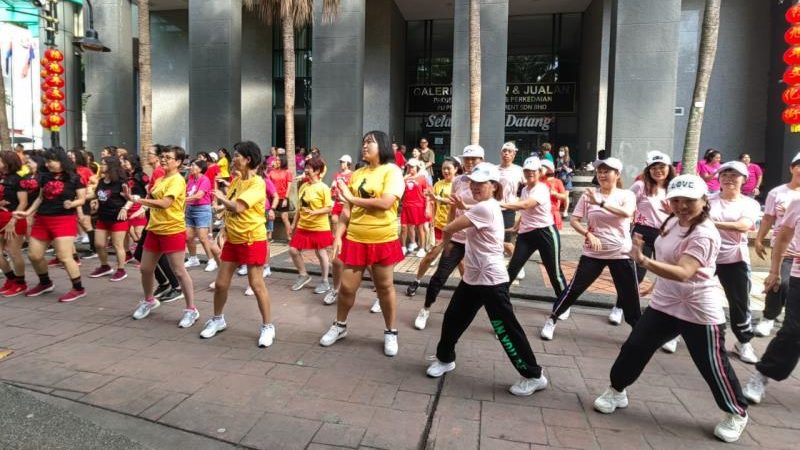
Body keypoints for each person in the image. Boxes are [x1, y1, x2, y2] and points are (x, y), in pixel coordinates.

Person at [594, 174, 749, 443]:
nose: (681, 206)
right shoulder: (672, 220)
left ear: (704, 200)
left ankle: (736, 412)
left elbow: (684, 272)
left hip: (698, 309)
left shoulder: (705, 233)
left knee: (711, 364)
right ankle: (617, 391)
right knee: (635, 347)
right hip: (664, 303)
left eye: (689, 200)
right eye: (676, 200)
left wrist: (643, 261)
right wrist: (656, 283)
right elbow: (669, 258)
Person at [425, 162, 549, 397]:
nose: (474, 186)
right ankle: (445, 359)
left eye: (481, 183)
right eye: (473, 182)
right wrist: (463, 206)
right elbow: (473, 208)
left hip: (491, 279)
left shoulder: (485, 208)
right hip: (473, 277)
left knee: (504, 328)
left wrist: (445, 244)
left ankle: (533, 375)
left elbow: (449, 227)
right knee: (453, 318)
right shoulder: (486, 205)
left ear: (494, 186)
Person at [319, 130, 405, 356]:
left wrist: (350, 197)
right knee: (347, 287)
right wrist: (338, 236)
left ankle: (391, 331)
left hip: (383, 239)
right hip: (356, 239)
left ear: (382, 145)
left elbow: (386, 203)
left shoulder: (392, 171)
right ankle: (340, 325)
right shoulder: (357, 174)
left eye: (370, 142)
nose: (364, 146)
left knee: (384, 288)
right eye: (364, 142)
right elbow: (347, 210)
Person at [541, 158, 639, 340]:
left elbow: (626, 213)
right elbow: (574, 220)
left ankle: (637, 333)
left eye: (606, 171)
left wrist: (601, 203)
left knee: (629, 295)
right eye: (599, 172)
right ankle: (552, 319)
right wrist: (588, 234)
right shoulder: (588, 195)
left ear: (617, 174)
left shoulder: (627, 195)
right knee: (574, 289)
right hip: (593, 253)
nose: (602, 175)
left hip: (621, 253)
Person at [199, 141, 275, 347]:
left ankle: (268, 326)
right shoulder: (237, 181)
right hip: (233, 239)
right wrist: (221, 214)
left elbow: (238, 207)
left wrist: (221, 199)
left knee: (256, 284)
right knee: (221, 284)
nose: (233, 159)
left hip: (252, 239)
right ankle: (218, 320)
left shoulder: (257, 183)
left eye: (236, 156)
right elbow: (230, 207)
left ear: (247, 159)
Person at [409, 146, 483, 331]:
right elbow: (452, 207)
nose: (470, 162)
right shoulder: (458, 181)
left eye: (474, 159)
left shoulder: (488, 181)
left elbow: (492, 207)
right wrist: (449, 233)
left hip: (478, 240)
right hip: (458, 239)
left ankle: (498, 322)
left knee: (488, 284)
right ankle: (425, 309)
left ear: (481, 160)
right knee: (439, 276)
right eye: (467, 159)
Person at [743, 171, 800, 405]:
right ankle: (762, 374)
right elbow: (784, 238)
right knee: (793, 331)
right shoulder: (796, 203)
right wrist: (774, 271)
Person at [126, 145, 198, 327]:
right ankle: (149, 300)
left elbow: (165, 203)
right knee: (145, 268)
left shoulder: (177, 180)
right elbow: (152, 200)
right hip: (154, 228)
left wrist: (137, 200)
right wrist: (139, 207)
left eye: (168, 157)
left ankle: (191, 310)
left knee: (179, 271)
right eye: (163, 156)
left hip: (172, 229)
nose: (164, 159)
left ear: (178, 162)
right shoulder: (160, 179)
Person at [15, 147, 87, 302]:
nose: (47, 164)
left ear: (61, 161)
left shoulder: (75, 177)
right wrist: (28, 213)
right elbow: (40, 198)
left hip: (63, 219)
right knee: (34, 255)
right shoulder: (44, 176)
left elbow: (82, 199)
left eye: (50, 161)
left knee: (64, 257)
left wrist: (72, 203)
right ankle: (45, 283)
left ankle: (78, 288)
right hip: (42, 219)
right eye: (46, 161)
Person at [707, 161, 760, 363]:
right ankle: (675, 333)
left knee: (739, 302)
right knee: (689, 292)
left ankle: (743, 342)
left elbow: (743, 226)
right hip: (706, 255)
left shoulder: (750, 204)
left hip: (735, 258)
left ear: (744, 179)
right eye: (725, 174)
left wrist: (710, 222)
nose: (729, 178)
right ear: (718, 178)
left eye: (734, 175)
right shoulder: (707, 200)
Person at [623, 151, 675, 348]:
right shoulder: (641, 186)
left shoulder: (674, 188)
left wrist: (672, 213)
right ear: (648, 170)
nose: (658, 171)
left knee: (667, 276)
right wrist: (629, 225)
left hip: (668, 234)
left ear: (669, 168)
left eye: (662, 167)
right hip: (643, 233)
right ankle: (620, 307)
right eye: (653, 168)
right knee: (636, 274)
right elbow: (627, 204)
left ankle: (667, 327)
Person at [502, 157, 568, 299]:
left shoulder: (542, 188)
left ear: (539, 172)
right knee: (513, 268)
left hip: (545, 233)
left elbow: (526, 205)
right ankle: (499, 297)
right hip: (526, 235)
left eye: (533, 170)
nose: (530, 173)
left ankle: (563, 304)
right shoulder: (525, 190)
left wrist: (502, 204)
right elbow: (524, 210)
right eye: (527, 170)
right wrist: (516, 226)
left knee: (554, 273)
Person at [753, 154, 800, 337]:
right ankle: (769, 317)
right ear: (791, 168)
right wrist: (759, 239)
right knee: (780, 281)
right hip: (785, 248)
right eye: (798, 166)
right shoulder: (777, 193)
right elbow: (767, 218)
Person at [406, 159, 456, 324]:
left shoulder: (459, 184)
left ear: (456, 169)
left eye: (449, 168)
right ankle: (417, 280)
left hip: (456, 229)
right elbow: (433, 202)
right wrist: (432, 217)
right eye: (444, 168)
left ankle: (468, 292)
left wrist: (437, 199)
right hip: (441, 227)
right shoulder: (438, 184)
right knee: (430, 256)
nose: (446, 171)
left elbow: (455, 203)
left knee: (462, 263)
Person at [288, 157, 334, 294]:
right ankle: (303, 275)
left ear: (318, 171)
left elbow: (329, 208)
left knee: (320, 252)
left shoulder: (323, 187)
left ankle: (325, 281)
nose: (306, 170)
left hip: (319, 227)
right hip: (303, 226)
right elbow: (299, 208)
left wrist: (315, 212)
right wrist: (293, 224)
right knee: (293, 250)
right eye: (306, 167)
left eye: (309, 168)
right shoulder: (304, 186)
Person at [87, 157, 132, 282]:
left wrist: (125, 208)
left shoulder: (121, 182)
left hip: (118, 218)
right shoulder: (101, 181)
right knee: (99, 244)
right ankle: (105, 266)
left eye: (104, 164)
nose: (101, 166)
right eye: (101, 164)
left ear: (111, 166)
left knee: (118, 245)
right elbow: (97, 194)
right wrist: (85, 198)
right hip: (103, 217)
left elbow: (130, 198)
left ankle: (121, 270)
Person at [0, 151, 30, 297]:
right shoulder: (1, 177)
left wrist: (13, 220)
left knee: (13, 252)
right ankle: (11, 279)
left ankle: (20, 283)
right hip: (1, 217)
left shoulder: (18, 179)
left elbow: (23, 203)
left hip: (14, 219)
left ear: (7, 162)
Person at [183, 159, 221, 272]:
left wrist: (181, 199)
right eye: (191, 165)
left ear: (200, 169)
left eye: (193, 165)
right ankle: (193, 259)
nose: (191, 167)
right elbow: (187, 192)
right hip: (190, 209)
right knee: (188, 237)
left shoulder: (205, 179)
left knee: (203, 237)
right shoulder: (191, 179)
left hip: (202, 210)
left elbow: (199, 195)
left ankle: (212, 261)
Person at [497, 142, 524, 263]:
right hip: (494, 207)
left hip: (509, 208)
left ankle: (516, 264)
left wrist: (521, 202)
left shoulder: (519, 170)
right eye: (504, 151)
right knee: (495, 236)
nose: (506, 154)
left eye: (509, 151)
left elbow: (528, 186)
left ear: (514, 155)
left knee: (507, 239)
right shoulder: (494, 169)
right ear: (500, 153)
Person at [400, 158, 429, 257]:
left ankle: (422, 248)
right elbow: (399, 189)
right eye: (409, 166)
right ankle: (403, 247)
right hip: (406, 206)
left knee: (419, 228)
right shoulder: (405, 178)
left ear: (417, 167)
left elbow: (427, 194)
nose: (410, 168)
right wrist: (404, 178)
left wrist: (427, 207)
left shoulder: (422, 178)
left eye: (412, 167)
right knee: (404, 227)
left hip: (418, 206)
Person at [268, 155, 294, 240]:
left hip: (283, 197)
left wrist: (286, 198)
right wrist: (270, 168)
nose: (276, 161)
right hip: (273, 197)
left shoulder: (287, 172)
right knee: (270, 216)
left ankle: (289, 236)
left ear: (283, 161)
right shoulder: (272, 172)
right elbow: (267, 182)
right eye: (276, 160)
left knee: (284, 217)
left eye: (278, 160)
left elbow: (289, 186)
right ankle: (269, 236)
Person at [541, 160, 568, 230]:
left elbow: (564, 197)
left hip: (553, 212)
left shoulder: (557, 181)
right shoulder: (538, 181)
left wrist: (555, 194)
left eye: (543, 168)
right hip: (540, 213)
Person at [330, 155, 353, 228]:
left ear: (348, 163)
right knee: (334, 220)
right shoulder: (338, 174)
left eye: (343, 162)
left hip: (347, 202)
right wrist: (333, 187)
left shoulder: (353, 175)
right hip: (337, 201)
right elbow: (333, 185)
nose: (341, 164)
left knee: (346, 223)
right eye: (340, 162)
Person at [555, 146, 575, 218]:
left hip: (567, 179)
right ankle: (557, 211)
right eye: (560, 150)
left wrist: (566, 168)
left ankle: (565, 211)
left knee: (566, 196)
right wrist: (557, 169)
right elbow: (554, 169)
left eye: (562, 151)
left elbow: (573, 171)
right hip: (559, 179)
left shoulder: (569, 160)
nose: (560, 152)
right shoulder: (557, 160)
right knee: (558, 196)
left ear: (565, 152)